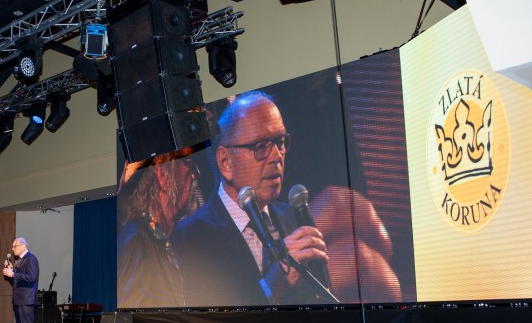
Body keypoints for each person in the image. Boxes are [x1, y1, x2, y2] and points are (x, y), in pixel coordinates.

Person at [170, 91, 400, 307]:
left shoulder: (292, 218)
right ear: (225, 162)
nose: (277, 156)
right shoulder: (193, 237)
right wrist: (271, 286)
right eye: (261, 146)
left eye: (280, 143)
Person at [117, 148, 201, 308]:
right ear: (162, 173)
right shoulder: (137, 241)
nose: (195, 174)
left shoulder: (159, 241)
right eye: (189, 163)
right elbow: (134, 319)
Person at [2, 237, 41, 323]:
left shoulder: (31, 258)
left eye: (15, 246)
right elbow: (16, 283)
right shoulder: (19, 262)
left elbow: (32, 277)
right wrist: (11, 273)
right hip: (18, 301)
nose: (13, 249)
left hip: (27, 301)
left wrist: (13, 274)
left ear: (23, 246)